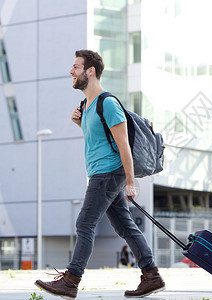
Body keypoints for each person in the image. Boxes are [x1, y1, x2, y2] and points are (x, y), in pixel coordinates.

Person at [34, 50, 165, 299]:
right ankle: (152, 276)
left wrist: (129, 181)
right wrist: (79, 123)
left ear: (90, 71)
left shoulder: (108, 103)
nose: (71, 71)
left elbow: (123, 144)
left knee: (85, 223)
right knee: (125, 226)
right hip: (101, 173)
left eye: (75, 67)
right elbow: (98, 142)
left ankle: (71, 281)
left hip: (107, 174)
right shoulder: (87, 106)